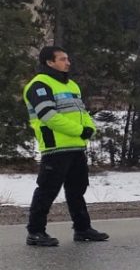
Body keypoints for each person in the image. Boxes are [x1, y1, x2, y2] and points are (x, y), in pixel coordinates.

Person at [23, 46, 108, 246]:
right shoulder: (39, 85)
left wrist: (89, 128)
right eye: (62, 59)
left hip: (76, 147)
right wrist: (79, 130)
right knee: (47, 190)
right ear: (49, 62)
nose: (68, 62)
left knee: (77, 189)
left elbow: (83, 112)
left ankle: (82, 229)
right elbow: (48, 116)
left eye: (67, 58)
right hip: (56, 147)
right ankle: (35, 232)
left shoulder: (71, 85)